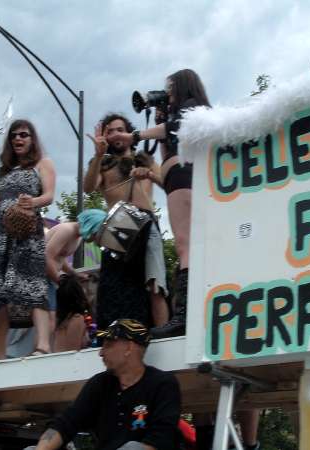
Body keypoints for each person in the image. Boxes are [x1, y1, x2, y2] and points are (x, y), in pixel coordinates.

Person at [107, 69, 211, 338]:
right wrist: (160, 117)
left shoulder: (189, 107)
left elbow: (175, 129)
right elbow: (168, 147)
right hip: (179, 173)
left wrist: (137, 136)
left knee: (185, 246)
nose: (167, 94)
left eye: (170, 89)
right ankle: (187, 311)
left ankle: (185, 316)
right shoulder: (184, 113)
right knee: (187, 245)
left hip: (181, 173)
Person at [0, 119, 56, 360]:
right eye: (14, 136)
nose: (18, 139)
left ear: (32, 139)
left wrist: (32, 202)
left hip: (26, 229)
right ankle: (1, 353)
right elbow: (4, 200)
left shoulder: (43, 163)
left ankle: (43, 345)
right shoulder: (4, 171)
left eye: (24, 135)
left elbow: (48, 196)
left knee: (33, 283)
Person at [33, 319, 181, 450]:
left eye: (108, 345)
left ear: (129, 348)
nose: (101, 353)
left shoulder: (163, 383)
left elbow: (161, 439)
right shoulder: (100, 383)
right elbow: (66, 423)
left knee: (132, 447)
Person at [85, 113, 169, 330]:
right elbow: (89, 187)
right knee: (115, 288)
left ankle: (163, 335)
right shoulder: (102, 163)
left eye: (119, 129)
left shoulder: (145, 158)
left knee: (155, 283)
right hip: (117, 227)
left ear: (129, 132)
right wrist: (97, 155)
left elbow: (167, 183)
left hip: (147, 224)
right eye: (109, 131)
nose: (115, 134)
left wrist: (148, 174)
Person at [45, 221, 91, 352]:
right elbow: (47, 256)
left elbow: (60, 258)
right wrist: (61, 281)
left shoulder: (77, 236)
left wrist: (74, 274)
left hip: (54, 279)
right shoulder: (66, 230)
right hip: (47, 278)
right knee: (51, 317)